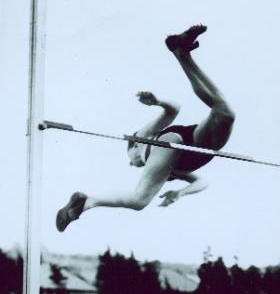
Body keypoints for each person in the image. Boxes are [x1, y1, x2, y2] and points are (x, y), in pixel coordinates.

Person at [56, 24, 235, 232]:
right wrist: (179, 193)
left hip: (181, 142)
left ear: (132, 146)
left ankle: (88, 202)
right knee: (225, 113)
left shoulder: (140, 139)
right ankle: (181, 53)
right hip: (194, 150)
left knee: (139, 199)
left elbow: (174, 109)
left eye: (131, 159)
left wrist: (158, 101)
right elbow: (203, 182)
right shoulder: (164, 170)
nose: (133, 165)